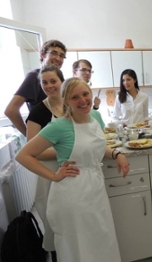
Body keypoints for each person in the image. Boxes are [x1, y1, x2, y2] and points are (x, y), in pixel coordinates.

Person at [16, 77, 129, 262]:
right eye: (75, 97)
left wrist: (117, 154)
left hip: (95, 188)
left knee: (101, 237)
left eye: (85, 94)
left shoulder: (96, 117)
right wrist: (53, 175)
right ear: (66, 101)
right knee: (78, 244)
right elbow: (23, 155)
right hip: (72, 193)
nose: (83, 100)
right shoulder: (59, 126)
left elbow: (98, 148)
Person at [25, 65, 65, 262]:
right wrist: (63, 153)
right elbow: (33, 152)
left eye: (53, 81)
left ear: (61, 82)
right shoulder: (38, 113)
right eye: (45, 82)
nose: (49, 86)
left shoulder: (72, 105)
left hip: (73, 170)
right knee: (54, 220)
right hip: (50, 173)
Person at [4, 40, 67, 136]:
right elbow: (11, 110)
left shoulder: (60, 79)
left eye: (62, 56)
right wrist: (31, 137)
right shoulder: (34, 76)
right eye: (54, 53)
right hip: (46, 140)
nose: (58, 58)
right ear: (42, 55)